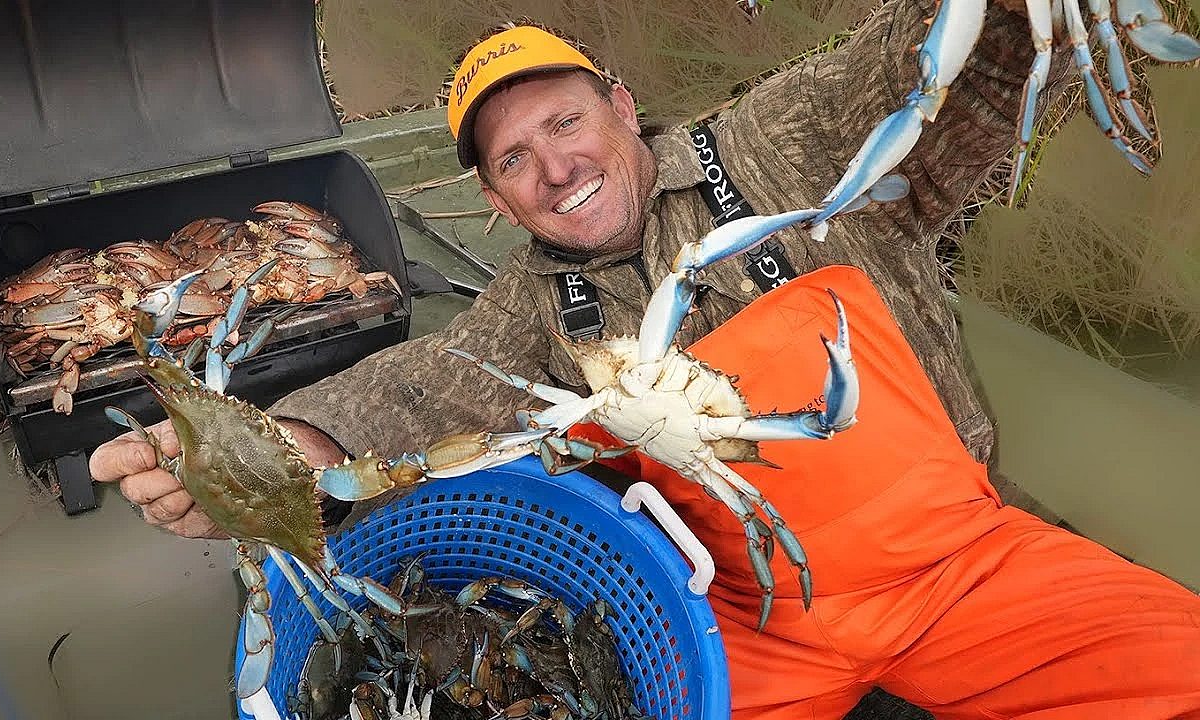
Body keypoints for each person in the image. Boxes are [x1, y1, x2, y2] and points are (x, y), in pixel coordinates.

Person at [91, 0, 1200, 717]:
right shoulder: (532, 309)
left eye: (565, 122)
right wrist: (261, 446)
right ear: (491, 197)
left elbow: (929, 65)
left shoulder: (783, 142)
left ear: (620, 106)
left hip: (963, 564)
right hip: (742, 623)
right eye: (514, 159)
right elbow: (413, 391)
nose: (554, 167)